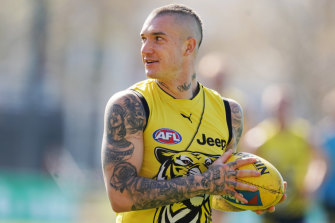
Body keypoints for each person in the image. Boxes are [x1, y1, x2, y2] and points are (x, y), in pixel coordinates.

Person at [101, 4, 286, 222]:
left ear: (188, 47)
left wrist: (251, 196)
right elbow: (120, 196)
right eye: (144, 39)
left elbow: (212, 195)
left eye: (158, 39)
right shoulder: (131, 105)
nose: (145, 49)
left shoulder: (230, 113)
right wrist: (205, 182)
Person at [244, 85, 322, 223]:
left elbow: (320, 162)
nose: (280, 111)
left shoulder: (303, 133)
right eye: (276, 107)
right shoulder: (260, 136)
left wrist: (312, 182)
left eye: (284, 106)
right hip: (271, 206)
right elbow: (246, 161)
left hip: (297, 205)